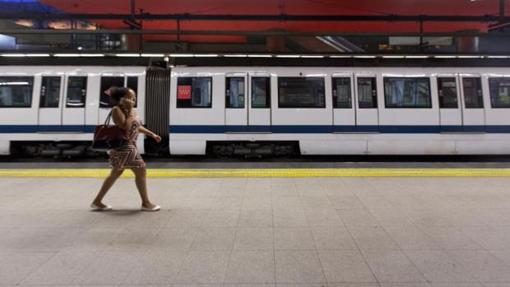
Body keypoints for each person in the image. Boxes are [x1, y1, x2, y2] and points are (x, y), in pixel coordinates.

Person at [91, 87, 161, 212]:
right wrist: (129, 111)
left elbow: (137, 126)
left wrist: (152, 134)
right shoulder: (116, 110)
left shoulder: (131, 110)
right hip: (124, 146)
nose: (133, 98)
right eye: (130, 96)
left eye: (134, 96)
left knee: (115, 174)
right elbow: (125, 127)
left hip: (130, 145)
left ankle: (97, 201)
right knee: (141, 171)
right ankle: (146, 203)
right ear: (121, 98)